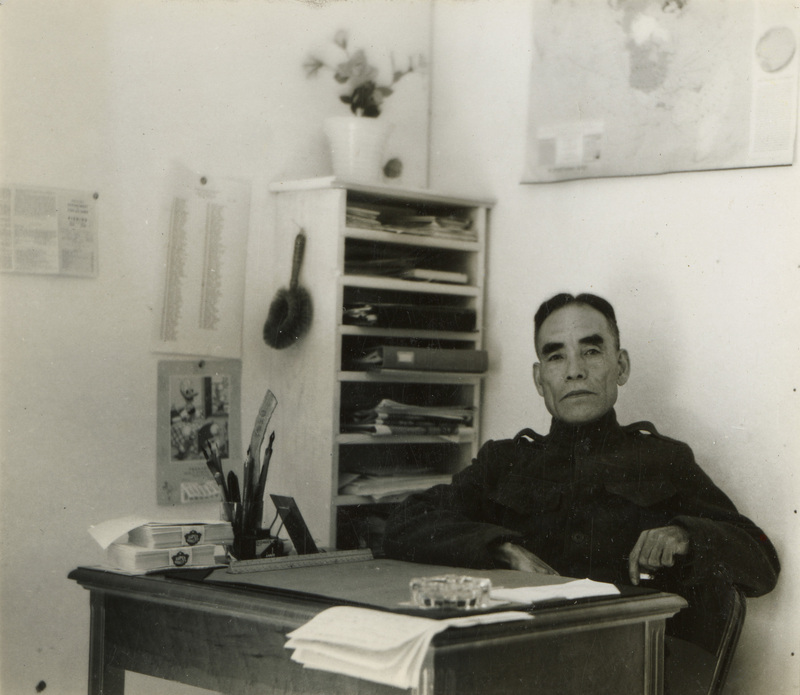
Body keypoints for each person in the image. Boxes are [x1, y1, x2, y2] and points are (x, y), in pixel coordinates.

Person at [383, 292, 779, 684]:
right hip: (513, 668)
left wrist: (685, 535)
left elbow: (761, 560)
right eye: (556, 356)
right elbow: (404, 523)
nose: (574, 371)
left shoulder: (663, 461)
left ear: (620, 366)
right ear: (540, 379)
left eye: (591, 352)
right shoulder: (504, 462)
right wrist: (500, 549)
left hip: (626, 672)